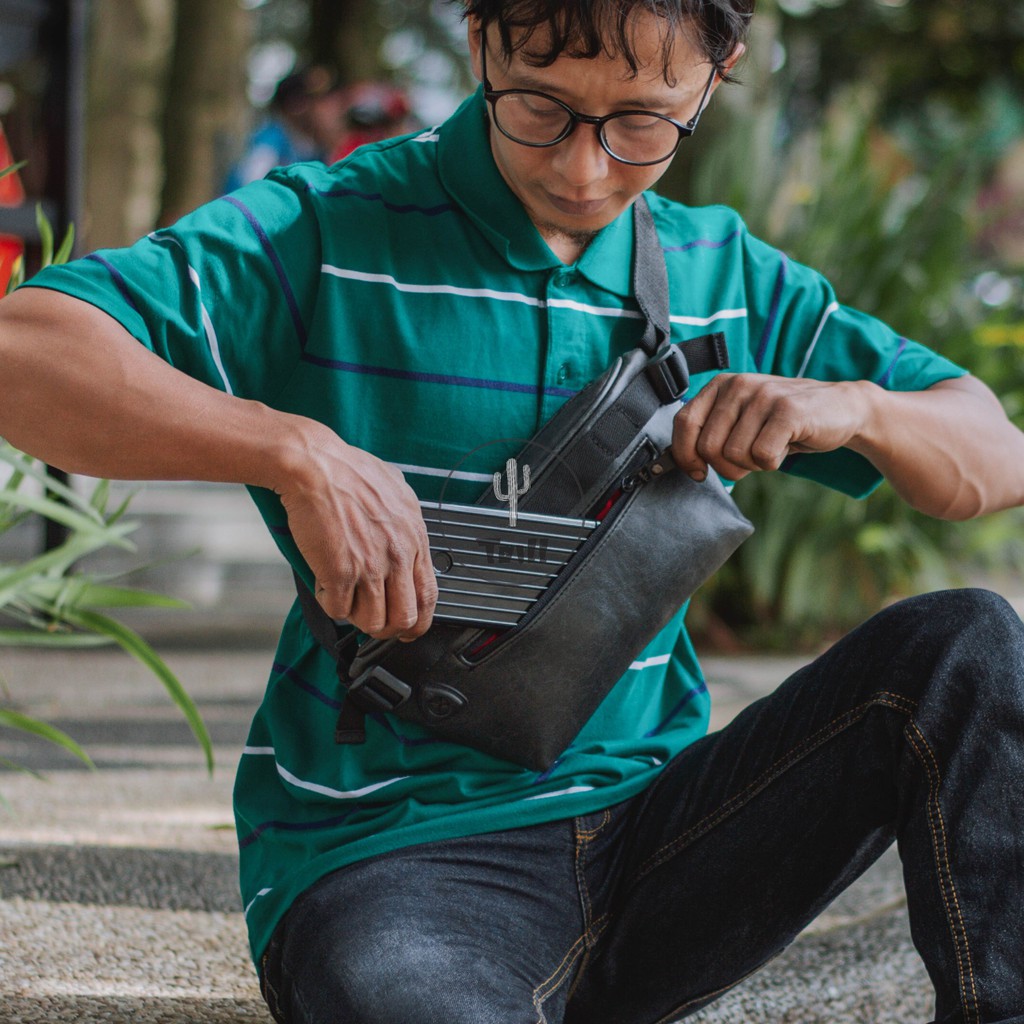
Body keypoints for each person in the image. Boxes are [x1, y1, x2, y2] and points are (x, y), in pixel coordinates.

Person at [2, 1, 1024, 1021]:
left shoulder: (726, 275)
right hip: (399, 860)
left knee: (966, 645)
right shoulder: (328, 229)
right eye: (540, 105)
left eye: (640, 124)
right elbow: (25, 352)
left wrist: (857, 407)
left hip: (660, 838)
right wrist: (290, 448)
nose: (583, 171)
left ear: (717, 75)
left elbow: (993, 457)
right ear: (482, 41)